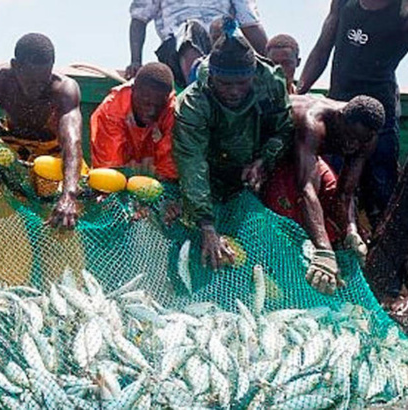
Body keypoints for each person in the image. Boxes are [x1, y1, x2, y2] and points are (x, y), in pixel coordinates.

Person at [173, 20, 294, 274]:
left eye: (242, 83)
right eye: (225, 84)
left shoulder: (271, 84)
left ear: (252, 75)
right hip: (209, 175)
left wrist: (264, 160)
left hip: (252, 175)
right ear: (213, 75)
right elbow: (192, 161)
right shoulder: (194, 102)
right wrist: (206, 225)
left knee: (256, 257)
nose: (234, 91)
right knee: (196, 256)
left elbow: (284, 130)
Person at [297, 0, 408, 229]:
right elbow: (322, 48)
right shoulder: (343, 2)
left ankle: (382, 258)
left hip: (379, 119)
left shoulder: (403, 11)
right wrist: (300, 91)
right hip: (340, 114)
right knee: (332, 189)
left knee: (381, 196)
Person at [263, 95, 384, 294]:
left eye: (359, 141)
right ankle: (287, 271)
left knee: (336, 213)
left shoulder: (368, 137)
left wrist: (351, 230)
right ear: (340, 119)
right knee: (287, 213)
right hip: (282, 155)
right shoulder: (313, 121)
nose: (352, 145)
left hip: (311, 158)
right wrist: (323, 250)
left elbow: (345, 193)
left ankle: (332, 266)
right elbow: (307, 189)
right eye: (350, 137)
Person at [0, 33, 83, 229]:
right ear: (15, 66)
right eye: (31, 82)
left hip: (53, 156)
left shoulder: (65, 89)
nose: (38, 89)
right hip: (12, 153)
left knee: (62, 222)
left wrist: (68, 195)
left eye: (43, 81)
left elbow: (72, 143)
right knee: (0, 218)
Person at [127, 0, 269, 83]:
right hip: (175, 50)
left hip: (221, 45)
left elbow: (250, 24)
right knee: (191, 29)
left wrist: (272, 64)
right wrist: (135, 61)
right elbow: (139, 20)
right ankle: (197, 88)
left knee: (226, 30)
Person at [91, 62, 177, 181]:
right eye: (146, 103)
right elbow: (110, 168)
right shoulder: (112, 110)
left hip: (152, 177)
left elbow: (169, 170)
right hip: (119, 169)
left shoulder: (172, 111)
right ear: (133, 90)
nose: (152, 111)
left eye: (158, 106)